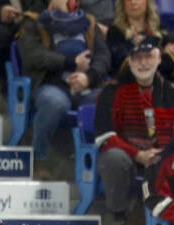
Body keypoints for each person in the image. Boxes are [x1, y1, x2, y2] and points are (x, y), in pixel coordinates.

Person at [94, 35, 174, 225]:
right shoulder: (111, 91)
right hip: (129, 156)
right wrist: (139, 154)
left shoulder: (172, 92)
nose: (143, 63)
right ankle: (117, 218)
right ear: (129, 62)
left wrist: (163, 153)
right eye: (137, 58)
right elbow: (104, 136)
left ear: (159, 59)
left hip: (163, 156)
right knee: (114, 158)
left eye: (148, 57)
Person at [15, 0, 110, 173]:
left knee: (110, 99)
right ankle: (38, 160)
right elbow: (33, 56)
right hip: (50, 84)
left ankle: (100, 168)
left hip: (84, 87)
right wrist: (69, 62)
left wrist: (88, 77)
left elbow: (103, 56)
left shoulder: (88, 21)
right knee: (55, 102)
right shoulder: (32, 21)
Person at [105, 0, 174, 78]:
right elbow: (123, 65)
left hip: (160, 87)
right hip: (127, 87)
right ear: (122, 3)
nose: (133, 2)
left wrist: (137, 56)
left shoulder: (160, 30)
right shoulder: (115, 32)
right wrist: (160, 56)